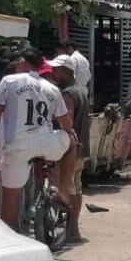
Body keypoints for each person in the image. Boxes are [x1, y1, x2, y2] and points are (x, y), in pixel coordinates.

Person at [0, 47, 78, 232]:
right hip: (46, 142)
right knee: (72, 142)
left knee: (10, 204)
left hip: (18, 147)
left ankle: (9, 239)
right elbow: (65, 123)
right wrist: (70, 133)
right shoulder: (52, 88)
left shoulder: (9, 80)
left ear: (23, 62)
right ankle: (63, 190)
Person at [48, 54, 90, 244]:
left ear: (67, 72)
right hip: (81, 150)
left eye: (56, 69)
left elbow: (68, 121)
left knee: (67, 191)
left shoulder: (67, 94)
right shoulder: (81, 91)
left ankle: (71, 231)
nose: (53, 72)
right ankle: (73, 230)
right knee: (77, 189)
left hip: (70, 151)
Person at [56, 39, 93, 108]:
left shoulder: (72, 59)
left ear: (70, 48)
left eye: (66, 49)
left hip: (74, 93)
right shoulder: (84, 59)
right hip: (84, 92)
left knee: (73, 115)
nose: (65, 52)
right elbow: (89, 78)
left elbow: (71, 77)